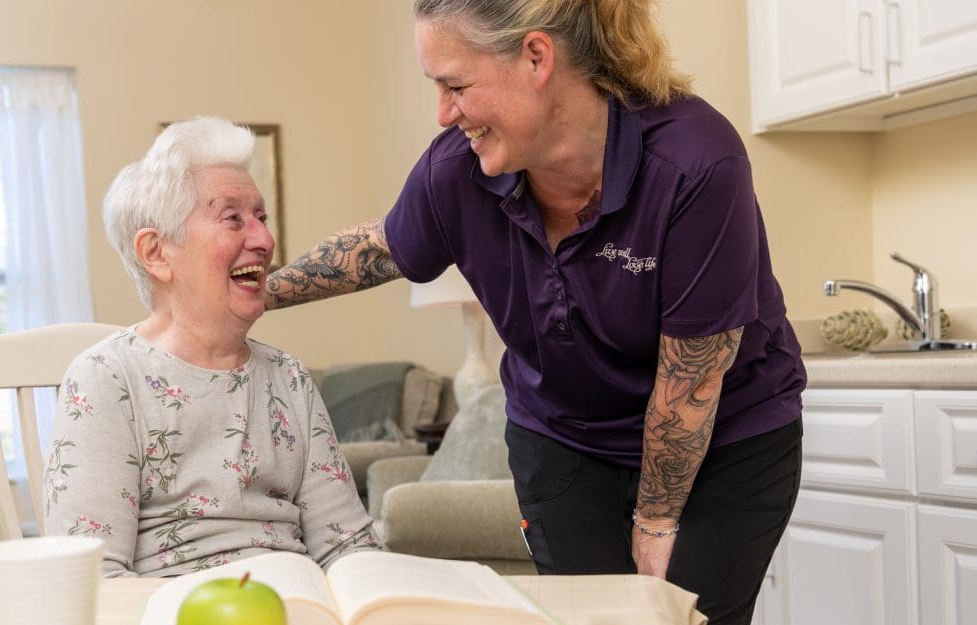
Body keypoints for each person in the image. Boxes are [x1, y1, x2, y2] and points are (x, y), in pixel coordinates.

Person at [264, 1, 806, 623]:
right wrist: (256, 293)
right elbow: (383, 247)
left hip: (724, 441)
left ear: (536, 57)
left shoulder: (693, 162)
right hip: (563, 439)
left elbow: (692, 381)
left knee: (678, 616)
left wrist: (655, 527)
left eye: (456, 85)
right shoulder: (456, 171)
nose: (443, 113)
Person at [43, 117, 379, 577]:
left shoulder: (290, 378)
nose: (264, 240)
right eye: (232, 218)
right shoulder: (107, 378)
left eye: (261, 217)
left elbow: (349, 547)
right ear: (157, 253)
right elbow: (91, 577)